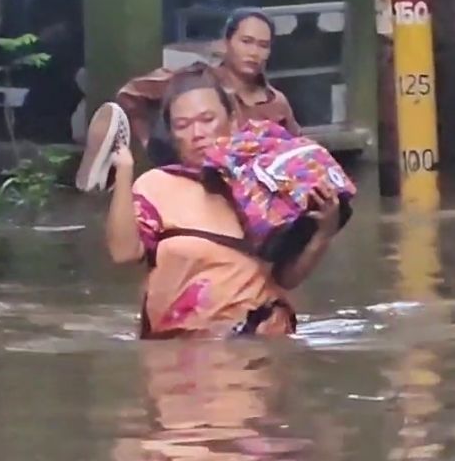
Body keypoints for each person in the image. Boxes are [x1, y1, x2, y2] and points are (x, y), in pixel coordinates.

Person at [104, 70, 342, 339]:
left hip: (259, 343)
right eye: (182, 125)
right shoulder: (156, 186)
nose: (197, 133)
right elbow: (124, 254)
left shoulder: (267, 182)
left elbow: (286, 278)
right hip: (180, 345)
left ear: (232, 121)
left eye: (207, 120)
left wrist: (323, 234)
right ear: (171, 134)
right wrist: (124, 172)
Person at [76, 8, 300, 192]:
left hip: (253, 201)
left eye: (263, 45)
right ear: (226, 43)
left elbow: (297, 151)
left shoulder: (276, 102)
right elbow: (131, 94)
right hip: (189, 189)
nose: (254, 52)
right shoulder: (197, 79)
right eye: (246, 41)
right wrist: (150, 144)